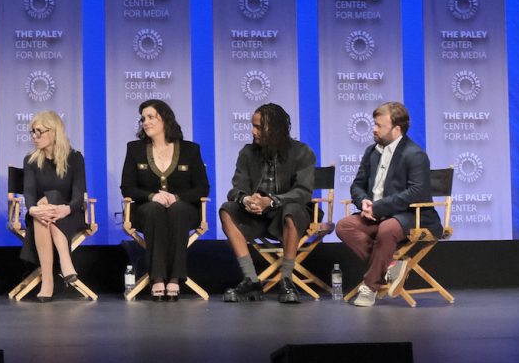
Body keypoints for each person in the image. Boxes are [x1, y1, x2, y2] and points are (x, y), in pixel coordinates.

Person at [334, 101, 431, 306]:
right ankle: (392, 267)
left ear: (396, 129)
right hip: (375, 213)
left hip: (409, 215)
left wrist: (378, 207)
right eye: (374, 124)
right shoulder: (371, 152)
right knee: (344, 226)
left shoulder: (415, 154)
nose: (374, 129)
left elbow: (416, 192)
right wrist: (365, 203)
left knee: (387, 229)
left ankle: (370, 287)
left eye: (379, 125)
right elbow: (357, 185)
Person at [218, 103, 317, 304]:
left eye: (258, 127)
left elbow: (303, 192)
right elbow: (236, 189)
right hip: (256, 215)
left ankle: (287, 280)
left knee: (292, 210)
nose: (253, 131)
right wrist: (246, 200)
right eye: (253, 126)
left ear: (276, 129)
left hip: (287, 214)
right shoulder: (247, 153)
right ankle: (251, 280)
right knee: (226, 209)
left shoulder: (302, 152)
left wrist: (271, 201)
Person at [119, 98, 209, 300]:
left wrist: (176, 197)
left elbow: (203, 187)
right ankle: (157, 278)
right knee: (154, 209)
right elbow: (127, 187)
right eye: (143, 118)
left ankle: (175, 279)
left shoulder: (190, 150)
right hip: (146, 211)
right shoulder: (134, 149)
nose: (146, 122)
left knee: (178, 210)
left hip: (184, 210)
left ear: (165, 120)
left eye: (151, 117)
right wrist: (153, 196)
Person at [19, 110, 90, 300]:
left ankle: (48, 280)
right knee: (44, 205)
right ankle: (63, 265)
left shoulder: (75, 158)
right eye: (32, 132)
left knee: (51, 197)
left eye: (39, 131)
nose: (34, 136)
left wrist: (64, 208)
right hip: (40, 216)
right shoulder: (30, 160)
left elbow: (78, 194)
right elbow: (29, 192)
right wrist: (34, 208)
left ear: (54, 132)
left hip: (70, 214)